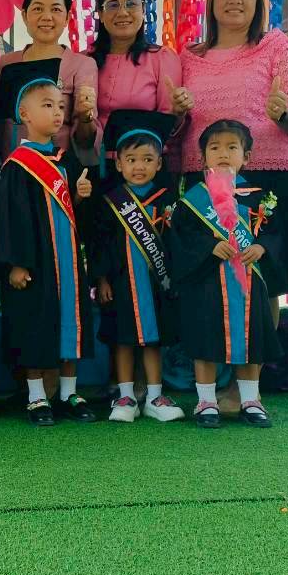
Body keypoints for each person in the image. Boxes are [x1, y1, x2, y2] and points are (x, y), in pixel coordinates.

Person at [178, 0, 288, 326]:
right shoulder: (188, 57)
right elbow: (177, 126)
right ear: (211, 0)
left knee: (263, 279)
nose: (234, 0)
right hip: (204, 182)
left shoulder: (277, 46)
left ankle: (261, 359)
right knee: (208, 277)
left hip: (266, 177)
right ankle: (213, 360)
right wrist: (176, 112)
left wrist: (282, 113)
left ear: (258, 1)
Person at [167, 120, 283, 430]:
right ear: (202, 157)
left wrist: (261, 247)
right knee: (204, 341)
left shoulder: (258, 197)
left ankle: (250, 400)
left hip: (248, 286)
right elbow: (181, 239)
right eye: (214, 147)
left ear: (247, 157)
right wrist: (208, 247)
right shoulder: (193, 201)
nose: (223, 153)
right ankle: (206, 401)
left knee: (251, 341)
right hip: (206, 284)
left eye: (232, 147)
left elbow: (275, 234)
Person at [0, 78, 96, 427]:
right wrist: (16, 263)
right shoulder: (17, 166)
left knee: (71, 319)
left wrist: (80, 196)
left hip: (68, 260)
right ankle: (37, 395)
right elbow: (12, 219)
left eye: (60, 107)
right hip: (36, 262)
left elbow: (72, 216)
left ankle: (69, 392)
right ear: (24, 114)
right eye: (47, 105)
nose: (57, 112)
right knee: (34, 323)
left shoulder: (64, 161)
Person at [89, 110, 182, 424]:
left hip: (156, 285)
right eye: (131, 159)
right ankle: (126, 395)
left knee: (154, 340)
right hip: (121, 284)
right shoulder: (110, 201)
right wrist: (101, 279)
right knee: (123, 338)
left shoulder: (167, 199)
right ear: (118, 164)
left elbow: (175, 244)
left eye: (147, 159)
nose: (139, 166)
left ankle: (155, 396)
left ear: (159, 164)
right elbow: (99, 243)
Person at [90, 0, 189, 167]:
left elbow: (168, 126)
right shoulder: (85, 60)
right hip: (93, 166)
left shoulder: (162, 58)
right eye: (113, 5)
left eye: (131, 4)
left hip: (144, 169)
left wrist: (179, 112)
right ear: (100, 14)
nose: (122, 12)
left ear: (143, 10)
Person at [0, 0, 98, 160]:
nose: (47, 16)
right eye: (38, 9)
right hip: (10, 165)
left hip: (56, 168)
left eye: (56, 9)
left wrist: (85, 117)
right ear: (25, 16)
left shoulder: (82, 65)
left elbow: (85, 141)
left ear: (67, 18)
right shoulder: (6, 62)